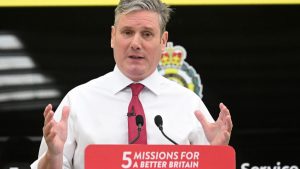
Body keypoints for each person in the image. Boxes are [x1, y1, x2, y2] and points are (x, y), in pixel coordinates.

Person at [31, 0, 233, 168]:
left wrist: (216, 157)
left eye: (147, 34)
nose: (135, 43)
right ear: (112, 36)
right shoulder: (77, 101)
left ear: (163, 41)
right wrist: (54, 155)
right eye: (127, 32)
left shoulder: (189, 104)